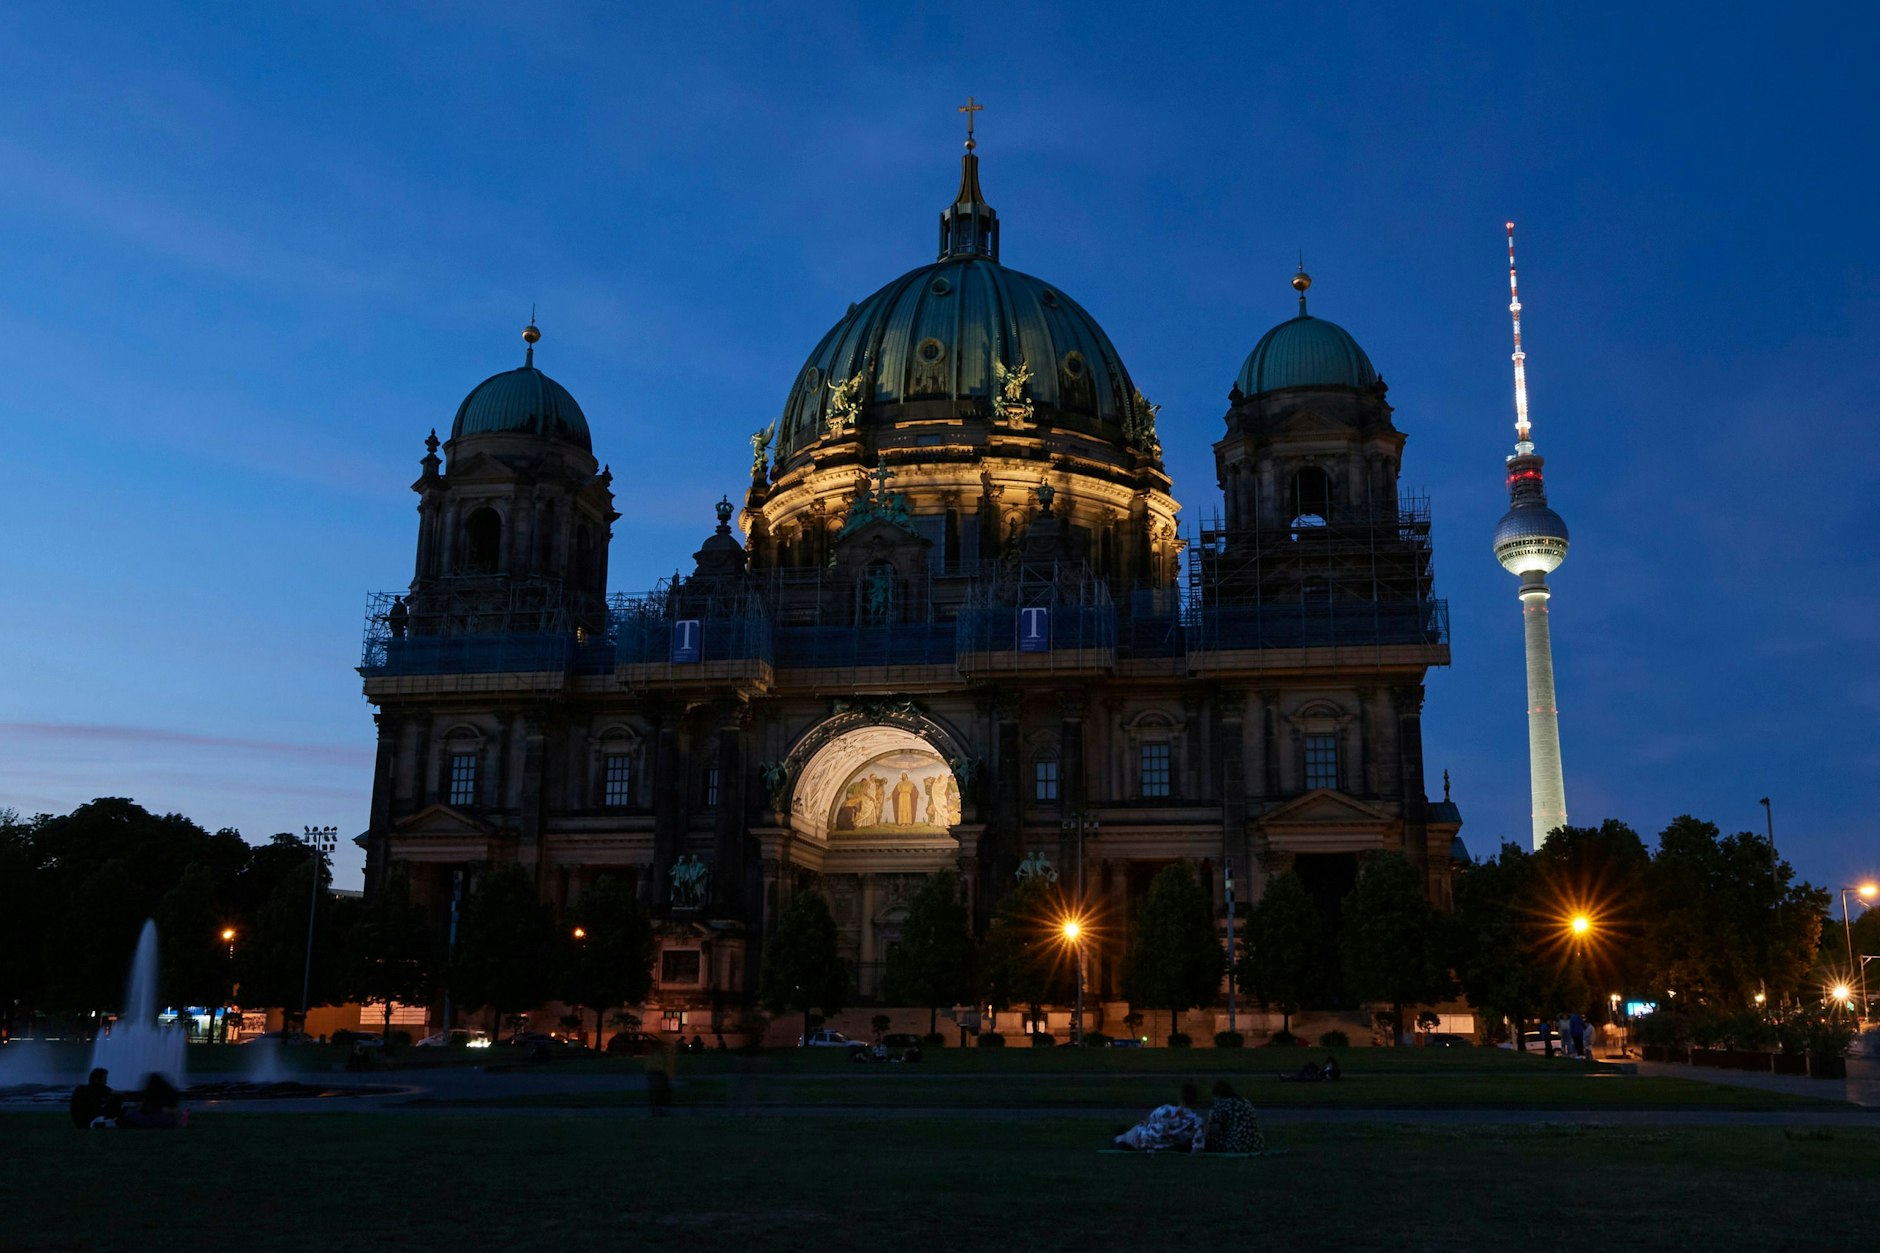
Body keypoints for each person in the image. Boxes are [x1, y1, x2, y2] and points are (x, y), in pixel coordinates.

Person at [1113, 1082, 1206, 1153]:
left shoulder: (1166, 1109)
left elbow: (1147, 1121)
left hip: (1143, 1141)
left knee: (1122, 1137)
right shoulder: (1197, 1122)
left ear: (1180, 1098)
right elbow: (1197, 1148)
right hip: (1162, 1147)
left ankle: (1119, 1138)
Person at [1202, 1081, 1265, 1153]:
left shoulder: (1220, 1104)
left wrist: (1209, 1121)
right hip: (1256, 1145)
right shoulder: (1245, 1102)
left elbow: (1215, 1130)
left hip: (1235, 1145)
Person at [118, 1073, 185, 1130]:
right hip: (165, 1120)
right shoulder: (171, 1094)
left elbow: (144, 1109)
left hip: (154, 1120)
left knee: (127, 1112)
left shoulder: (154, 1096)